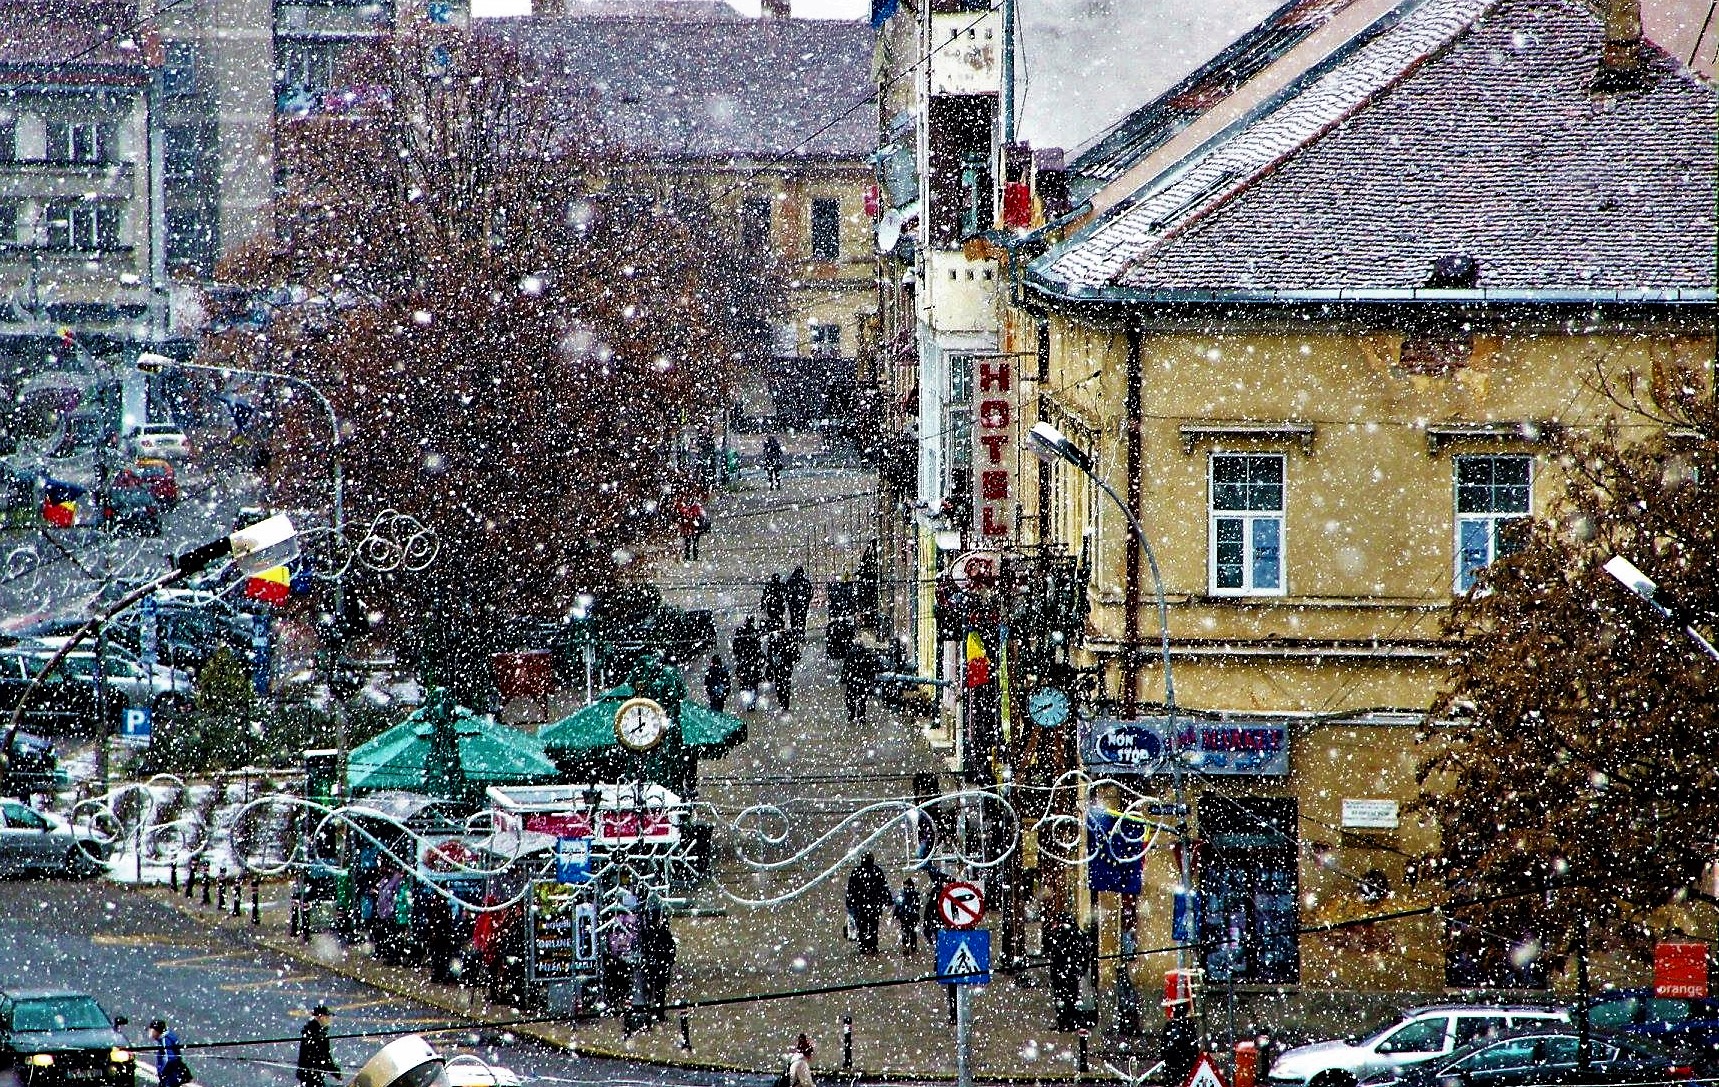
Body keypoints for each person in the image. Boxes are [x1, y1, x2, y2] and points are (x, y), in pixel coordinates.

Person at [844, 853, 891, 955]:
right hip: (873, 905)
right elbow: (883, 887)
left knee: (862, 926)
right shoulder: (876, 871)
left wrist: (850, 902)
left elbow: (851, 889)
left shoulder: (857, 872)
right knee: (873, 925)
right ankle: (872, 945)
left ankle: (863, 945)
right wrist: (887, 899)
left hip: (862, 905)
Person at [639, 901, 677, 1021]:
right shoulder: (662, 933)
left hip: (655, 965)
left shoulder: (650, 933)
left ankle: (650, 1014)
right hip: (659, 965)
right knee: (658, 992)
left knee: (651, 991)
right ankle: (657, 1014)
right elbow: (671, 949)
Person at [297, 1005, 340, 1086]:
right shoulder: (318, 1034)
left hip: (309, 1074)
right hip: (312, 1075)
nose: (329, 1019)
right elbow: (324, 1056)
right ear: (321, 1017)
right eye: (328, 1017)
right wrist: (336, 1072)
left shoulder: (310, 1030)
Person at [1161, 998, 1200, 1087]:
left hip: (1176, 1069)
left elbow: (1166, 1050)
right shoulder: (1188, 1025)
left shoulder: (1172, 1026)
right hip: (1184, 1067)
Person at [840, 640, 878, 725]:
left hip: (852, 681)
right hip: (863, 681)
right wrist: (871, 679)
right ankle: (861, 716)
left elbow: (846, 668)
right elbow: (872, 668)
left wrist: (844, 679)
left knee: (850, 698)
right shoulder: (867, 655)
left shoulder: (851, 654)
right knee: (862, 700)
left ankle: (851, 714)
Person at [148, 1019, 191, 1087]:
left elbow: (170, 1058)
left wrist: (163, 1072)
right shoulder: (167, 1038)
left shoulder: (165, 1041)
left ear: (157, 1031)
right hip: (172, 1075)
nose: (150, 1033)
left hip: (170, 1076)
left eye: (151, 1030)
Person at [765, 629, 798, 711]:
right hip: (781, 664)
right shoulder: (775, 636)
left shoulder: (786, 635)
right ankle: (784, 701)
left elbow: (770, 651)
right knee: (781, 682)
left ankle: (784, 702)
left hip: (784, 663)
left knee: (782, 682)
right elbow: (770, 651)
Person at [733, 619, 762, 709]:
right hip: (752, 664)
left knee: (745, 683)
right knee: (753, 685)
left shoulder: (741, 633)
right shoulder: (754, 634)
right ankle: (751, 703)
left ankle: (748, 701)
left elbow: (735, 648)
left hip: (744, 663)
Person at [893, 878, 921, 956]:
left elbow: (898, 905)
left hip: (904, 916)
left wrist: (896, 915)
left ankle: (906, 948)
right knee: (912, 931)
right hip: (912, 916)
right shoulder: (915, 894)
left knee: (905, 932)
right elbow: (917, 906)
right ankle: (913, 946)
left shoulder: (903, 894)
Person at [784, 565, 813, 631]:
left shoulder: (791, 582)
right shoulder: (805, 582)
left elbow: (786, 593)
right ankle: (800, 631)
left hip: (795, 604)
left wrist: (790, 601)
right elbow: (810, 593)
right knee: (801, 619)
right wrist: (806, 601)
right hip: (801, 604)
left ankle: (796, 631)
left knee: (795, 618)